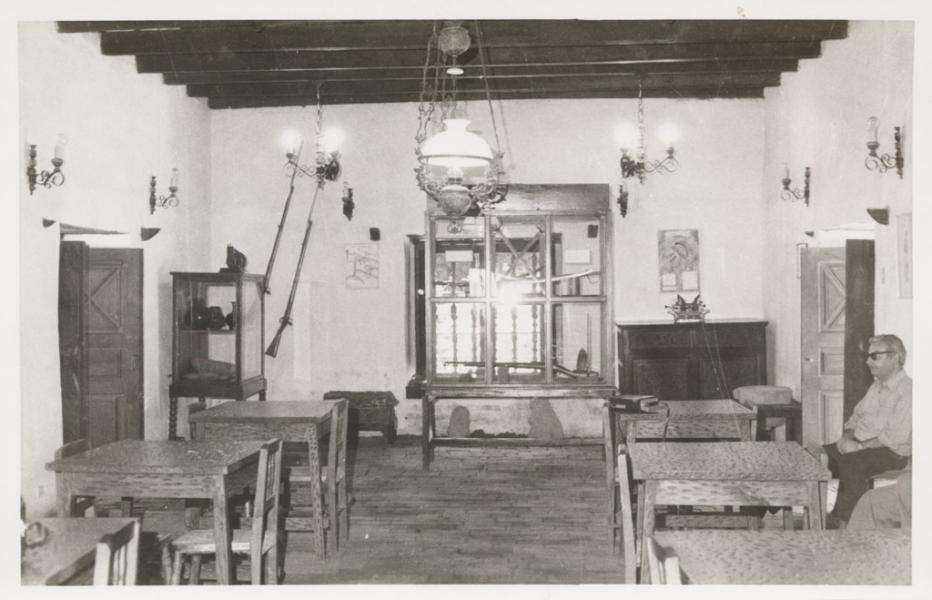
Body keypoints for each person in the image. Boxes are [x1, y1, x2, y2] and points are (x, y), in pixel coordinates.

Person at [823, 334, 911, 527]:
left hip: (891, 452)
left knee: (852, 464)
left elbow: (895, 438)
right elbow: (854, 418)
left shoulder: (909, 392)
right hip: (859, 445)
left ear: (896, 357)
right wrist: (846, 438)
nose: (867, 361)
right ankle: (755, 512)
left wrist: (859, 446)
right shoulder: (875, 386)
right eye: (868, 356)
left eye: (875, 356)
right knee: (812, 457)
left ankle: (848, 530)